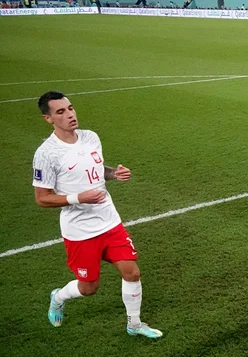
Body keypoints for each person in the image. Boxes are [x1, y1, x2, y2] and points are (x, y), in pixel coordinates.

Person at [32, 91, 162, 339]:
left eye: (70, 108)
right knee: (89, 287)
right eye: (60, 112)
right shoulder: (47, 153)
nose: (70, 114)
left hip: (109, 221)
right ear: (48, 119)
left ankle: (134, 324)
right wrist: (78, 198)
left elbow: (96, 170)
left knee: (132, 272)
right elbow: (42, 198)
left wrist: (115, 174)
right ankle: (58, 297)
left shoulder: (90, 137)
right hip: (79, 231)